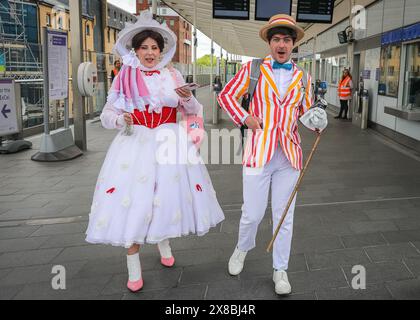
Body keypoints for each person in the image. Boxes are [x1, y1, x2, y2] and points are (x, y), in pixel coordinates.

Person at [85, 11, 224, 293]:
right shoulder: (125, 77)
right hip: (135, 143)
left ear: (162, 51)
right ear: (135, 51)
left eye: (155, 48)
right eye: (144, 48)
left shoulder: (173, 74)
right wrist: (119, 119)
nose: (150, 53)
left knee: (165, 197)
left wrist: (188, 101)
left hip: (170, 141)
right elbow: (107, 113)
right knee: (135, 201)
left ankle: (163, 242)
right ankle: (133, 265)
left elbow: (193, 110)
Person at [218, 14, 328, 296]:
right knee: (252, 214)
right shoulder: (252, 69)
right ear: (269, 42)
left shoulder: (304, 77)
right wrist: (245, 118)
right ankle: (242, 248)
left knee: (284, 215)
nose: (282, 44)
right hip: (258, 152)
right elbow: (226, 96)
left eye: (287, 39)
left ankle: (280, 268)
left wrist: (316, 122)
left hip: (289, 156)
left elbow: (305, 112)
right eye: (276, 39)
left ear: (293, 44)